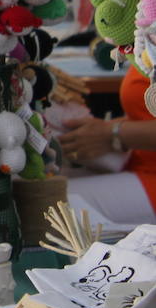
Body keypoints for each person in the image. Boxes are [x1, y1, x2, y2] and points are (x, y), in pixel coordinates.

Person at [62, 66, 156, 232]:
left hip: (150, 179)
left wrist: (113, 134)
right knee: (34, 185)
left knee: (44, 203)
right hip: (137, 162)